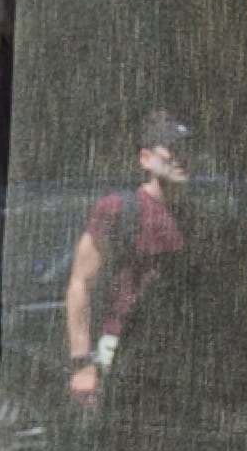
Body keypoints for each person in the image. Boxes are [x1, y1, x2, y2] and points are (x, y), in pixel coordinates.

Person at [64, 112, 189, 408]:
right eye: (173, 152)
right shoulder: (119, 209)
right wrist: (82, 362)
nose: (183, 159)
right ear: (145, 159)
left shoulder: (194, 214)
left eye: (189, 151)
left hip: (179, 356)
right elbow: (80, 283)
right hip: (125, 350)